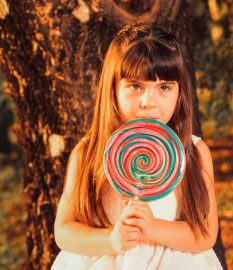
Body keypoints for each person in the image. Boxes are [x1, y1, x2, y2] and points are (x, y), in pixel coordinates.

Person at [52, 23, 222, 270]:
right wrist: (110, 240)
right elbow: (64, 231)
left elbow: (205, 235)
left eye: (164, 87)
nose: (148, 102)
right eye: (135, 86)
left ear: (180, 93)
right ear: (113, 89)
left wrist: (153, 228)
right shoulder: (89, 152)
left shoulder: (193, 152)